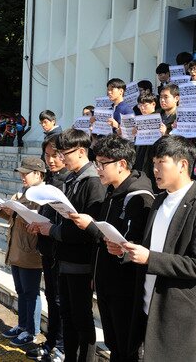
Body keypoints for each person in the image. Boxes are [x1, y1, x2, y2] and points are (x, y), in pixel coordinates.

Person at [106, 135, 196, 361]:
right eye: (154, 163)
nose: (155, 169)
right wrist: (127, 252)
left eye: (161, 163)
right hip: (146, 304)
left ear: (183, 164)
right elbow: (150, 249)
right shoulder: (159, 201)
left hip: (174, 311)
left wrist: (149, 258)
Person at [69, 134, 154, 362]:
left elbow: (129, 245)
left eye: (102, 164)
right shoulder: (112, 192)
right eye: (97, 163)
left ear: (122, 164)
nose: (98, 169)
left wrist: (91, 226)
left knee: (127, 348)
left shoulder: (140, 197)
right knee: (114, 344)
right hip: (106, 282)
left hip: (125, 287)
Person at [28, 128, 106, 362]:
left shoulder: (93, 182)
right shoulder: (71, 179)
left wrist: (52, 230)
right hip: (64, 258)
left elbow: (90, 229)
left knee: (81, 319)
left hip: (81, 262)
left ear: (81, 151)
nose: (60, 159)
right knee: (68, 315)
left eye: (64, 153)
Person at [0, 157, 45, 347]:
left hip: (31, 251)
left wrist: (18, 211)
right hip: (16, 249)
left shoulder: (43, 195)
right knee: (21, 291)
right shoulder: (22, 193)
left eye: (26, 173)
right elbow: (11, 218)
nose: (22, 177)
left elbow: (40, 222)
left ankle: (32, 331)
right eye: (21, 173)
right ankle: (22, 325)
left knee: (31, 292)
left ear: (38, 174)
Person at [26, 137, 69, 362]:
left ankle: (61, 346)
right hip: (47, 247)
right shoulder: (50, 179)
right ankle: (51, 341)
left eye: (55, 155)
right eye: (47, 155)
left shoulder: (68, 182)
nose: (50, 160)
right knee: (51, 297)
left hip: (60, 248)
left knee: (60, 300)